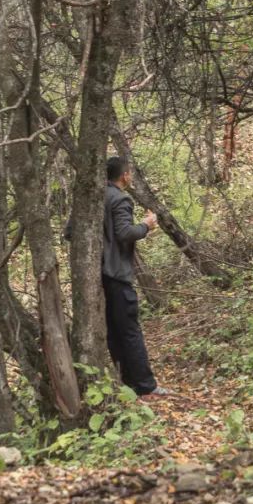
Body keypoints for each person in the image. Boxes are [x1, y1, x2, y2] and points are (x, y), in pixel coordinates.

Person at [101, 156, 166, 397]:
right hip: (117, 274)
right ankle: (145, 385)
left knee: (114, 331)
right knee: (129, 330)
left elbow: (69, 232)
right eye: (129, 173)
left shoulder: (93, 197)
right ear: (124, 175)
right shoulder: (120, 198)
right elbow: (125, 233)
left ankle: (127, 384)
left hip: (99, 276)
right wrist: (147, 225)